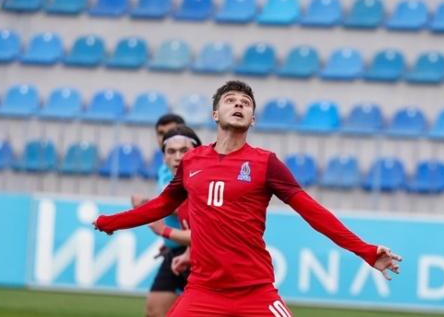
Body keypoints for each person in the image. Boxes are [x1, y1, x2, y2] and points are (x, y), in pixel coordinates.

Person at [95, 80, 402, 317]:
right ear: (215, 114)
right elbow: (162, 205)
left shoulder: (266, 163)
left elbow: (313, 212)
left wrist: (365, 250)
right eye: (230, 100)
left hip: (255, 291)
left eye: (246, 103)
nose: (239, 105)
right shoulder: (192, 161)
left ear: (252, 119)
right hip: (203, 291)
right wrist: (112, 222)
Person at [131, 114, 198, 317]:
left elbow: (182, 207)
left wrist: (149, 209)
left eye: (171, 131)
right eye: (161, 133)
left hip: (195, 251)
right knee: (154, 310)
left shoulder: (192, 170)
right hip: (176, 248)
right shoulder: (165, 168)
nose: (166, 136)